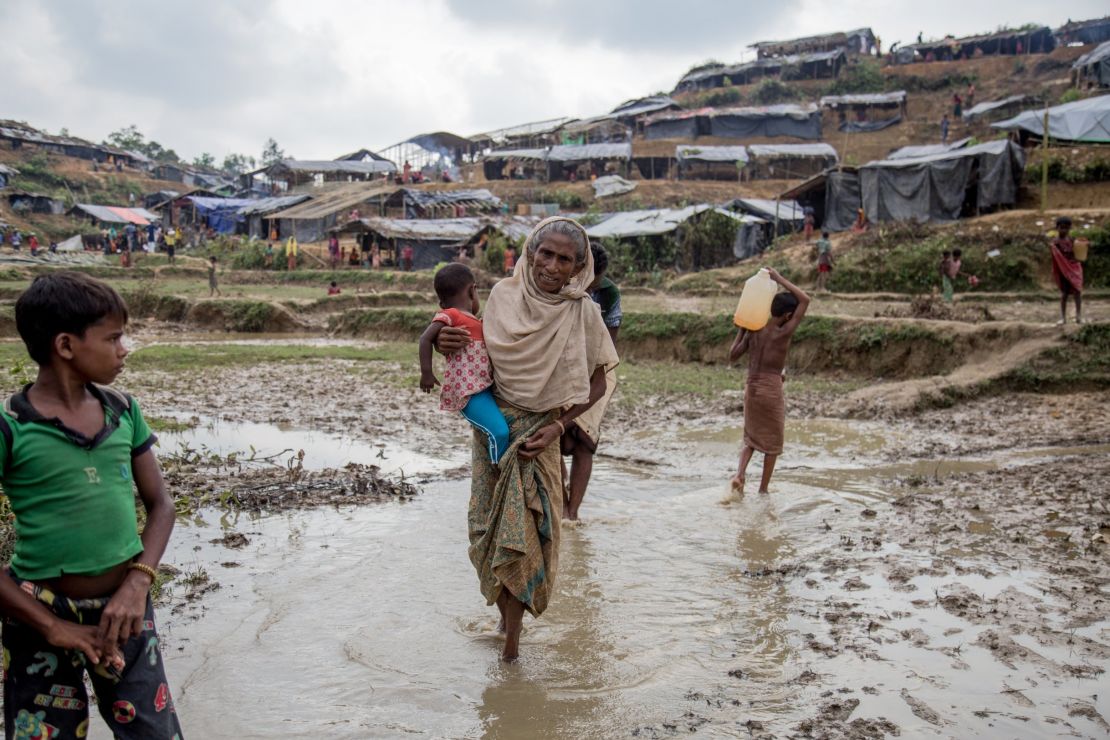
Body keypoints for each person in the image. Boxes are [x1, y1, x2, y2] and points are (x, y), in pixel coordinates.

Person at [0, 272, 182, 738]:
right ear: (65, 345)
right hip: (37, 615)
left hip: (125, 613)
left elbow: (161, 504)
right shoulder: (11, 428)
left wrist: (137, 584)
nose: (125, 349)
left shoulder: (124, 410)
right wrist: (53, 627)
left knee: (152, 732)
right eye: (114, 337)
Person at [434, 217, 618, 661]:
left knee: (527, 533)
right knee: (488, 529)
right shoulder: (501, 296)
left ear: (578, 267)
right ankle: (503, 623)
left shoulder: (584, 312)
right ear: (531, 252)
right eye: (546, 254)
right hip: (494, 430)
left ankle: (511, 652)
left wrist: (559, 426)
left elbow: (598, 382)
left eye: (565, 259)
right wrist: (444, 342)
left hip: (541, 436)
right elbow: (474, 349)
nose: (552, 266)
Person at [418, 264, 511, 467]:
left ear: (441, 300)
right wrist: (426, 372)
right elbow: (425, 338)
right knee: (500, 431)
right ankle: (499, 470)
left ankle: (499, 464)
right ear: (472, 290)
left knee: (502, 429)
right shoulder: (452, 315)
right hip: (468, 393)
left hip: (484, 388)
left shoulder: (479, 322)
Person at [728, 268, 810, 494]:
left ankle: (739, 475)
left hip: (751, 388)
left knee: (751, 438)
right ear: (787, 316)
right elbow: (806, 299)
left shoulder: (754, 330)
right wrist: (779, 278)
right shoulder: (783, 333)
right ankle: (763, 490)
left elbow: (733, 355)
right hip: (770, 389)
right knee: (772, 445)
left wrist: (742, 329)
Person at [561, 243, 621, 521]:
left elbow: (609, 342)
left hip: (596, 368)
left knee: (585, 440)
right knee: (556, 436)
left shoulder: (607, 293)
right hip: (560, 367)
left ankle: (572, 512)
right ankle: (559, 502)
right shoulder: (560, 286)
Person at [1050, 217, 1083, 324]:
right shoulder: (1055, 243)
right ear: (1057, 228)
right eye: (1062, 228)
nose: (1064, 230)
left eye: (1066, 228)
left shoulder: (1072, 240)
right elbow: (1057, 257)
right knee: (1064, 293)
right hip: (1063, 271)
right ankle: (1063, 318)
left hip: (1073, 270)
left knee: (1077, 292)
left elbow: (1077, 253)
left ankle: (1078, 316)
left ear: (1070, 229)